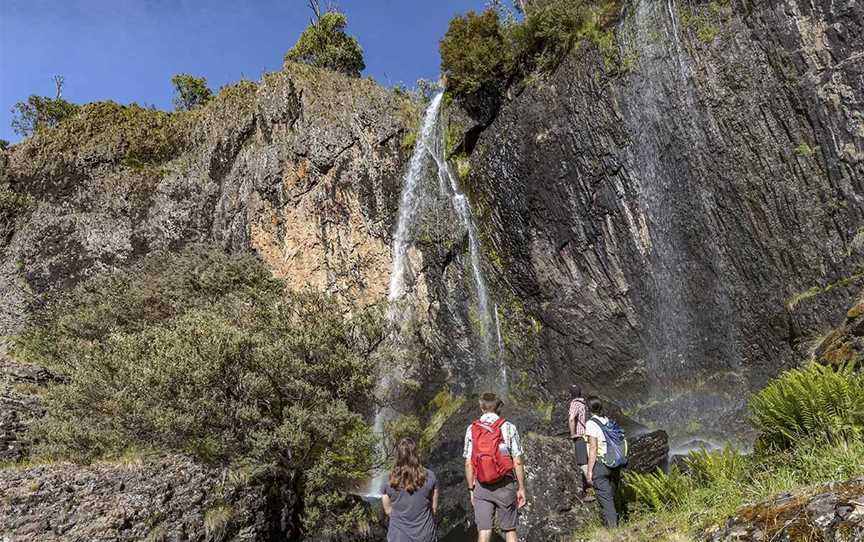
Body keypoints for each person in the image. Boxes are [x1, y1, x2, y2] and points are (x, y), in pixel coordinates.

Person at [463, 392, 527, 542]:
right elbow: (517, 461)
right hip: (505, 484)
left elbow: (468, 463)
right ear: (498, 407)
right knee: (509, 530)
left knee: (484, 531)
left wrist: (471, 489)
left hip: (482, 486)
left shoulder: (471, 429)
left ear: (481, 407)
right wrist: (521, 487)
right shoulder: (509, 427)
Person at [382, 437, 439, 542]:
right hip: (425, 535)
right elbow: (433, 509)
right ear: (416, 454)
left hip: (398, 536)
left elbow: (388, 510)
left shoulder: (388, 479)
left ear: (398, 455)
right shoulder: (430, 476)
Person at [585, 396, 622, 528]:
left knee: (606, 500)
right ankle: (618, 522)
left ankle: (613, 531)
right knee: (612, 495)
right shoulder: (607, 420)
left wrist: (589, 471)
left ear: (588, 408)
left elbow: (593, 448)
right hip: (614, 463)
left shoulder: (591, 424)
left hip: (601, 465)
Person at [567, 384, 593, 501]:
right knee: (589, 461)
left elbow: (572, 418)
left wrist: (573, 434)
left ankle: (595, 487)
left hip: (580, 437)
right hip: (589, 436)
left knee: (583, 463)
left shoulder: (574, 403)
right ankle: (589, 490)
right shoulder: (585, 404)